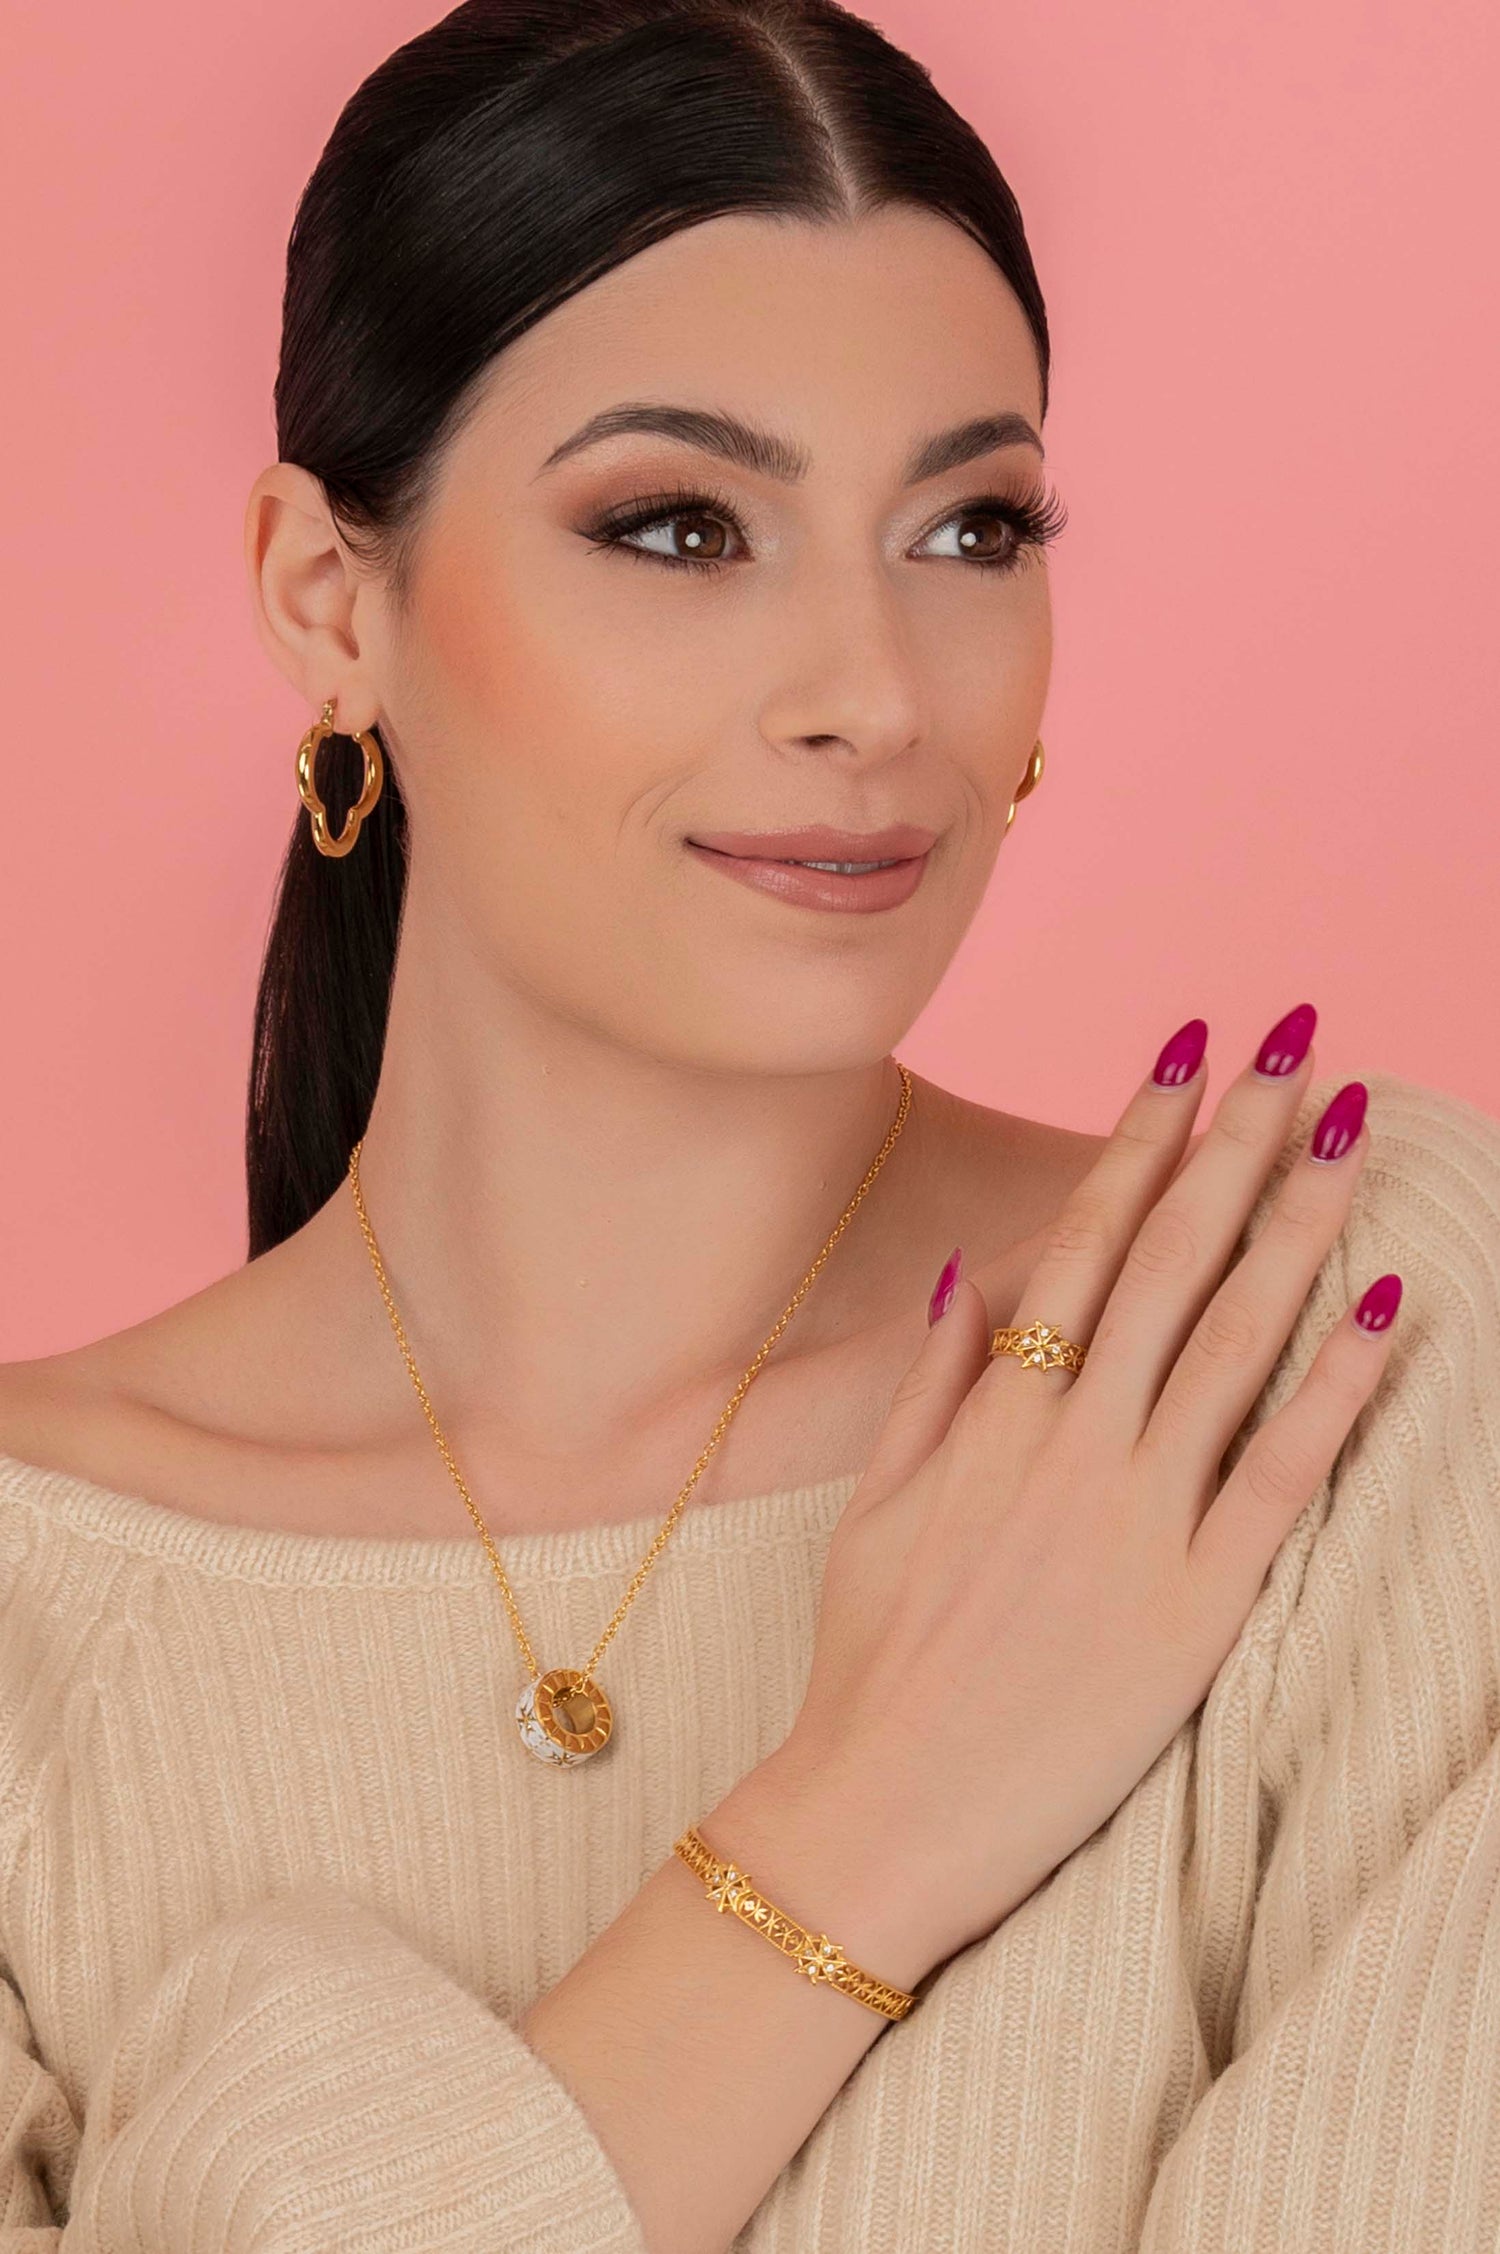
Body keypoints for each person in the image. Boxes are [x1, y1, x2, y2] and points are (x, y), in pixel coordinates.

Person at [2, 1, 1497, 2247]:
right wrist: (866, 1821)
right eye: (683, 524)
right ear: (331, 601)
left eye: (972, 527)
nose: (876, 695)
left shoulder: (1313, 1351)